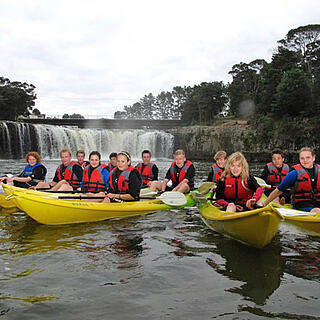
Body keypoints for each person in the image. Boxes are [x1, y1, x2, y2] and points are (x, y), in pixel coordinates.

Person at [262, 147, 320, 213]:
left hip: (317, 202)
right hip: (302, 204)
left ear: (313, 158)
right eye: (302, 158)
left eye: (308, 157)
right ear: (299, 159)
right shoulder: (294, 173)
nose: (305, 160)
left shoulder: (319, 170)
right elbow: (278, 190)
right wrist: (264, 203)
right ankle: (278, 202)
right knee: (317, 211)